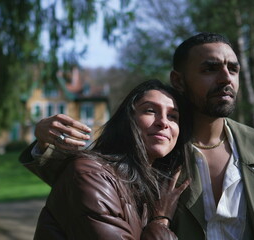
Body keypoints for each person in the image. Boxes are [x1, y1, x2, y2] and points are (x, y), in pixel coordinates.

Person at [20, 33, 254, 240]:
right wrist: (44, 142)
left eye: (233, 69)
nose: (226, 78)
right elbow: (93, 180)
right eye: (210, 68)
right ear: (178, 80)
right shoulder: (155, 147)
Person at [29, 79, 191, 239]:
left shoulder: (156, 184)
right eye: (150, 110)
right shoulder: (92, 174)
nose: (163, 122)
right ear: (127, 120)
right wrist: (161, 221)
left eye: (172, 116)